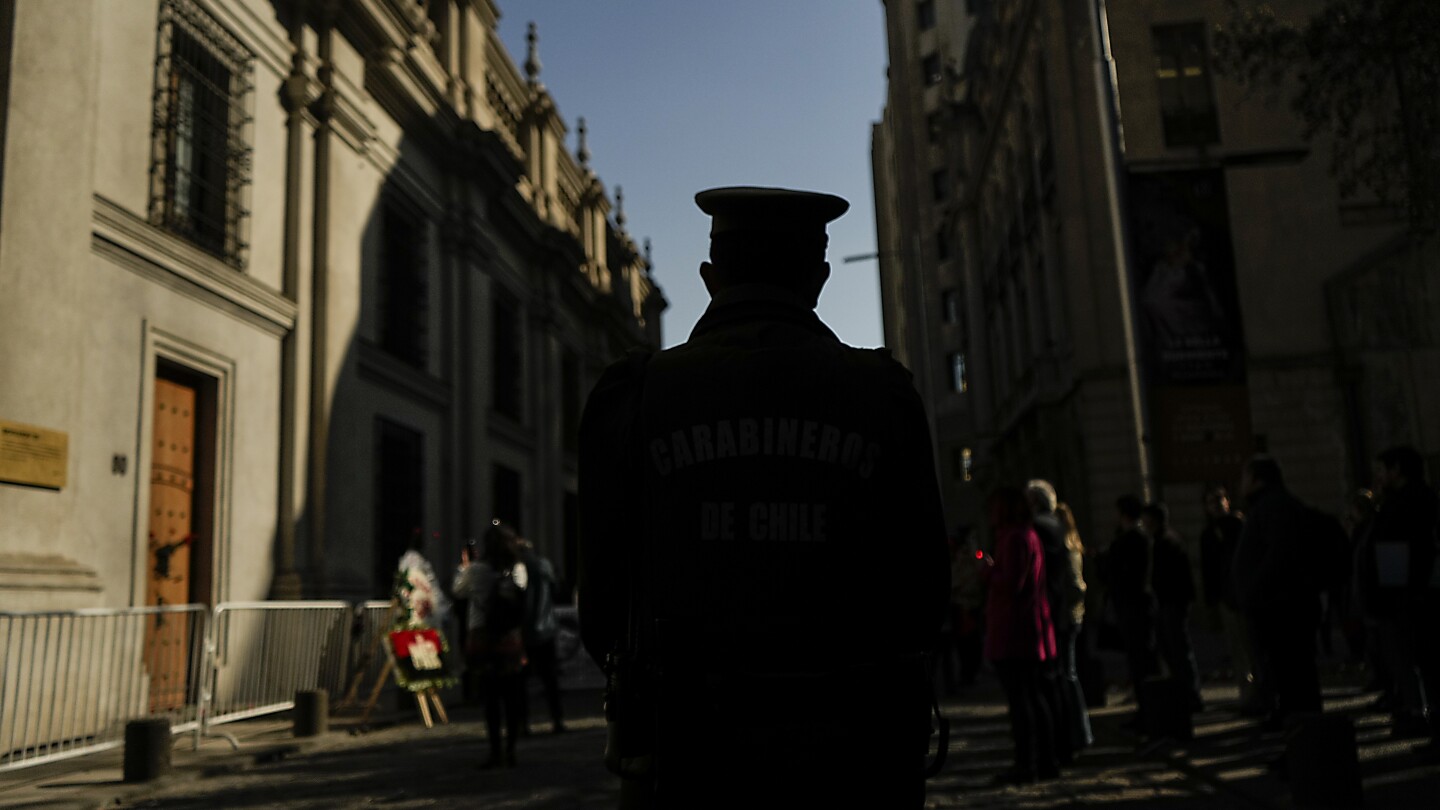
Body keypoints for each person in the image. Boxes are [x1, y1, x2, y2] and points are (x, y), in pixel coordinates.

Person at [577, 186, 950, 809]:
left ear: (709, 277)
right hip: (854, 758)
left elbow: (604, 607)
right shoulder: (883, 396)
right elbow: (924, 591)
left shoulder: (638, 394)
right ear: (819, 277)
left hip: (687, 758)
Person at [1232, 455, 1322, 732]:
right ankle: (1297, 736)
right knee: (1287, 675)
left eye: (1244, 477)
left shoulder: (1274, 506)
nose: (1240, 484)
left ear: (1257, 479)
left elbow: (1279, 556)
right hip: (1277, 606)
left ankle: (1305, 740)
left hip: (1281, 609)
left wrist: (1254, 591)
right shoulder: (1270, 505)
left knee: (1294, 675)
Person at [982, 486, 1059, 785]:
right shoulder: (1024, 535)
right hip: (1027, 629)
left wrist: (987, 571)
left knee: (1023, 702)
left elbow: (1011, 582)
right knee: (1033, 698)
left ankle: (1028, 763)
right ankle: (1045, 760)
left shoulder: (1014, 537)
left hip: (1015, 631)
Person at [1369, 446, 1440, 738]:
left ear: (1397, 469)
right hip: (1412, 594)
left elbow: (1396, 553)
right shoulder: (1417, 499)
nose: (1380, 476)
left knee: (1420, 661)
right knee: (1420, 661)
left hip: (1408, 597)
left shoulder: (1403, 504)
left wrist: (1394, 594)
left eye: (1384, 470)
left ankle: (1423, 718)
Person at [453, 520, 529, 768]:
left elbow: (458, 591)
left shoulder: (476, 570)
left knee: (491, 699)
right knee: (511, 696)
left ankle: (495, 750)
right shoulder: (517, 569)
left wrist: (464, 567)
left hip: (482, 637)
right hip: (509, 638)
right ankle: (511, 749)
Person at [1025, 480, 1091, 760]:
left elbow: (1075, 586)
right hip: (1068, 615)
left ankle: (1078, 735)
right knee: (1067, 674)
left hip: (1065, 617)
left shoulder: (1057, 538)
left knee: (1067, 675)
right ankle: (1078, 735)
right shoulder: (1065, 539)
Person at [1099, 494, 1159, 729]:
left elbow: (1115, 573)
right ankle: (1149, 711)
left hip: (1133, 607)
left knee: (1140, 661)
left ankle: (1148, 713)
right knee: (1143, 660)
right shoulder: (1141, 538)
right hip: (1140, 605)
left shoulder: (1129, 540)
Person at [1198, 484, 1257, 711]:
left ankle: (1256, 691)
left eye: (1220, 499)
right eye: (1213, 501)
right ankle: (1247, 691)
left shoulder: (1237, 525)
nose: (1218, 504)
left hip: (1242, 593)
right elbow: (1208, 568)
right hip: (1228, 595)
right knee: (1238, 646)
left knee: (1249, 645)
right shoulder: (1210, 532)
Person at [1143, 502, 1204, 713]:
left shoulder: (1165, 543)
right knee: (1177, 650)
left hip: (1171, 603)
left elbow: (1167, 577)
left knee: (1177, 650)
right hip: (1172, 602)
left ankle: (1189, 695)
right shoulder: (1168, 540)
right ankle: (1188, 694)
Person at [514, 537, 566, 734]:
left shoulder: (520, 566)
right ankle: (557, 719)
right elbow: (555, 588)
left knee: (521, 680)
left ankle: (523, 723)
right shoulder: (544, 564)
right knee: (550, 678)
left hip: (527, 630)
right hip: (547, 627)